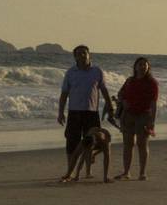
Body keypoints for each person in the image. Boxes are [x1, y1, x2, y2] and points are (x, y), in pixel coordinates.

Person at [56, 45, 114, 180]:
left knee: (92, 142)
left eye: (84, 53)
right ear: (75, 57)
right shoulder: (70, 72)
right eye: (78, 54)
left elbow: (104, 90)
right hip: (74, 112)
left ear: (89, 55)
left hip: (91, 112)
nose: (82, 55)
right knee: (72, 142)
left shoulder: (97, 71)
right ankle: (70, 171)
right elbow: (64, 93)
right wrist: (60, 112)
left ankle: (88, 171)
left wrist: (110, 107)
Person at [115, 56, 159, 181]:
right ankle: (126, 172)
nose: (142, 67)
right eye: (140, 64)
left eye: (145, 64)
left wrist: (152, 121)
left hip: (144, 116)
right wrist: (123, 101)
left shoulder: (152, 83)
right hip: (128, 115)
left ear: (148, 67)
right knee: (127, 144)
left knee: (142, 144)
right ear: (135, 67)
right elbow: (120, 94)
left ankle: (142, 173)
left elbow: (153, 103)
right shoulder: (130, 81)